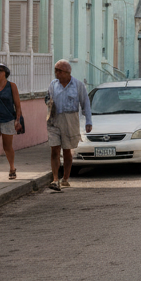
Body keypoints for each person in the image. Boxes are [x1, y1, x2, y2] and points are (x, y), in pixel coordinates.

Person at [45, 60, 91, 192]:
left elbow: (85, 103)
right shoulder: (53, 84)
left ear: (67, 72)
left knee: (67, 150)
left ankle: (65, 178)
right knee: (54, 149)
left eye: (59, 71)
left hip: (70, 119)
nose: (56, 73)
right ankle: (55, 179)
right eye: (55, 70)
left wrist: (88, 121)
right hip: (54, 119)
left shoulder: (78, 85)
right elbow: (48, 98)